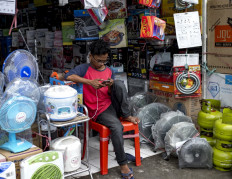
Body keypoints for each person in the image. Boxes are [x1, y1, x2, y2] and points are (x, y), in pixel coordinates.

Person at [65, 39, 140, 179]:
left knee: (118, 84)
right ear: (91, 56)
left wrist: (110, 85)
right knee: (117, 127)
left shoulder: (109, 70)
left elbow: (112, 93)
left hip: (111, 105)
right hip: (97, 110)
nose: (101, 64)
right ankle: (123, 164)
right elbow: (67, 76)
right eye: (99, 60)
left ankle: (126, 114)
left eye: (104, 61)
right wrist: (89, 82)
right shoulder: (84, 68)